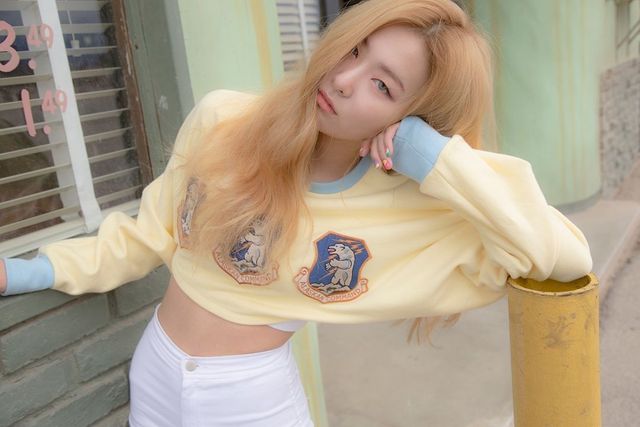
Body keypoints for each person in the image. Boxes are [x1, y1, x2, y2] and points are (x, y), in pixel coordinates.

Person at [0, 0, 593, 425]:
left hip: (250, 402)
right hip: (155, 370)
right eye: (354, 49)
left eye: (383, 86)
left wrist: (441, 160)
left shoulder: (413, 210)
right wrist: (28, 271)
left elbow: (565, 257)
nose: (343, 79)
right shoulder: (224, 122)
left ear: (412, 118)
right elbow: (146, 235)